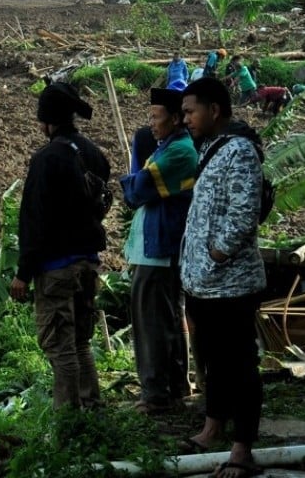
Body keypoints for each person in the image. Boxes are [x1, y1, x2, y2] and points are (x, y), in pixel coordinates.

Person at [179, 78, 267, 478]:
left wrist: (217, 253)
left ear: (214, 110)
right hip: (204, 283)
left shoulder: (240, 151)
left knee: (239, 365)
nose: (185, 120)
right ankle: (213, 425)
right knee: (213, 360)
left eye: (190, 111)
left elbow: (243, 214)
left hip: (231, 283)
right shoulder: (212, 148)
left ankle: (242, 447)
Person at [10, 82, 111, 409]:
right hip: (88, 263)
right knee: (81, 342)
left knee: (61, 346)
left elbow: (34, 220)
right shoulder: (94, 154)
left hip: (57, 269)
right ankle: (91, 409)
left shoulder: (46, 159)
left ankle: (68, 421)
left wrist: (23, 273)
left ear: (48, 121)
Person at [119, 88, 197, 414]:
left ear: (176, 118)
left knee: (152, 322)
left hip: (160, 248)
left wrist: (132, 182)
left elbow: (137, 189)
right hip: (154, 247)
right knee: (165, 318)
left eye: (156, 117)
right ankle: (174, 387)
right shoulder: (167, 147)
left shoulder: (179, 151)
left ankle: (157, 394)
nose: (151, 124)